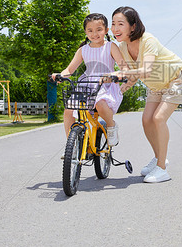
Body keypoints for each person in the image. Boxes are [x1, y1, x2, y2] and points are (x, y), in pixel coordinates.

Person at [110, 6, 182, 183]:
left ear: (133, 26)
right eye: (113, 24)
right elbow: (132, 75)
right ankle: (158, 158)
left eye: (120, 24)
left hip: (176, 78)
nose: (115, 28)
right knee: (147, 119)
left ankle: (162, 169)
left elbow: (145, 70)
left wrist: (120, 74)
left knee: (158, 118)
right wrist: (118, 89)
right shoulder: (122, 47)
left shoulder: (148, 40)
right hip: (156, 84)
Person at [52, 13, 129, 147]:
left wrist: (115, 75)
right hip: (86, 85)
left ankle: (111, 126)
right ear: (85, 32)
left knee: (100, 103)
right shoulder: (83, 50)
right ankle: (72, 146)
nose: (95, 34)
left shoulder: (111, 46)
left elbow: (124, 68)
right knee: (69, 110)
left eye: (99, 29)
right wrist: (61, 75)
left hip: (106, 84)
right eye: (90, 30)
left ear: (106, 30)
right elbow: (69, 70)